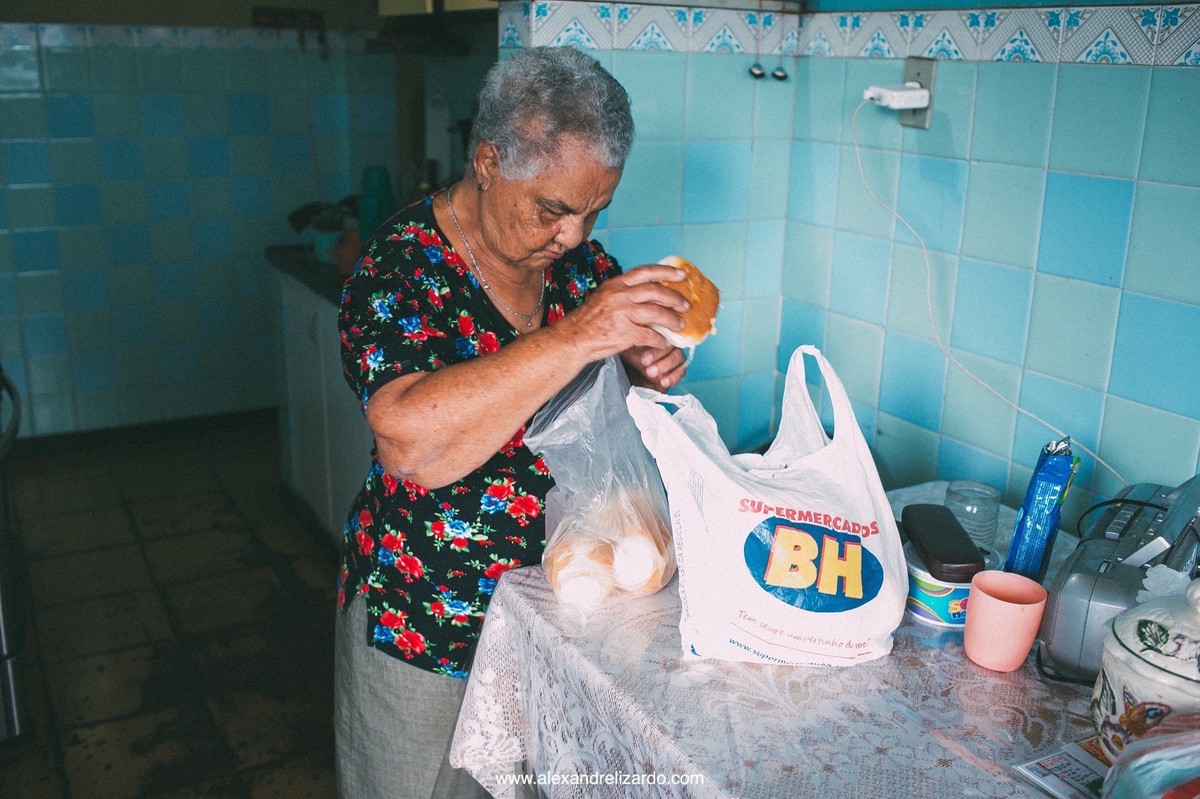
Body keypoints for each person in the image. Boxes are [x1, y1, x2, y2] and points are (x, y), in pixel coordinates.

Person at [333, 46, 694, 799]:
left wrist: (638, 365)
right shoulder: (402, 269)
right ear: (489, 162)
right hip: (430, 622)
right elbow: (408, 442)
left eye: (595, 211)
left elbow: (596, 390)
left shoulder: (582, 271)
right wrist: (579, 335)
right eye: (554, 209)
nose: (574, 236)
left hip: (565, 619)